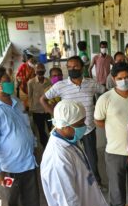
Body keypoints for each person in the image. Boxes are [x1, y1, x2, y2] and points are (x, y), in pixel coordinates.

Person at [40, 56, 105, 187]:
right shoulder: (60, 86)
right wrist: (55, 115)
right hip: (69, 131)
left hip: (88, 129)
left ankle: (96, 183)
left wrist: (101, 112)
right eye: (69, 67)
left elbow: (104, 93)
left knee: (92, 158)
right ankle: (78, 184)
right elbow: (43, 99)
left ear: (82, 67)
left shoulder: (91, 83)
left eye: (75, 66)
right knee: (72, 159)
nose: (72, 69)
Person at [41, 99, 112, 206]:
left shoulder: (69, 139)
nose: (84, 126)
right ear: (64, 126)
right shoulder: (57, 159)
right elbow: (69, 204)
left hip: (89, 204)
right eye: (79, 124)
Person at [94, 62, 128, 206]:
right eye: (120, 78)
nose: (124, 80)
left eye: (127, 77)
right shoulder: (105, 98)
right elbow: (98, 120)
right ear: (114, 79)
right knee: (117, 192)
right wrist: (117, 130)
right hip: (115, 152)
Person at [0, 67, 39, 206]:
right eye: (7, 81)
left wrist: (33, 144)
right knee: (11, 203)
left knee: (31, 202)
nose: (11, 82)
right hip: (8, 169)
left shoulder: (15, 100)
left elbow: (27, 125)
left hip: (28, 163)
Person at [27, 63, 52, 148]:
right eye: (38, 69)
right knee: (41, 130)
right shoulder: (31, 82)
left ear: (45, 71)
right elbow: (30, 97)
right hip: (37, 110)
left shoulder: (48, 81)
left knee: (50, 127)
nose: (40, 71)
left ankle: (52, 144)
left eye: (42, 69)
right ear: (35, 71)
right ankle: (45, 146)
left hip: (47, 109)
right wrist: (31, 109)